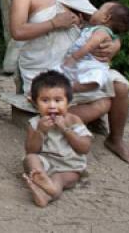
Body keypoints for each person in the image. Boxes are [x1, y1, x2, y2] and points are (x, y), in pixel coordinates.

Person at [9, 0, 129, 164]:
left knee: (121, 87)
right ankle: (55, 126)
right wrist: (54, 23)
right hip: (46, 68)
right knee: (105, 103)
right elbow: (17, 31)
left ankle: (115, 139)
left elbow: (105, 22)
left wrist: (116, 44)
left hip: (80, 66)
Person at [23, 70, 93, 208]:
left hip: (69, 167)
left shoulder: (73, 120)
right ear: (35, 103)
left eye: (58, 100)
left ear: (68, 102)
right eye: (45, 100)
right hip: (45, 163)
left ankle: (49, 191)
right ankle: (42, 181)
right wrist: (40, 131)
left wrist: (65, 130)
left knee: (60, 179)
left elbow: (85, 147)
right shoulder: (35, 123)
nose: (52, 106)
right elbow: (31, 150)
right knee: (30, 159)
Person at [62, 2, 129, 96]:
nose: (94, 12)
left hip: (91, 63)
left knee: (95, 76)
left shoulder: (102, 32)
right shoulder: (95, 29)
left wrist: (74, 58)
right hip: (84, 62)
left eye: (98, 10)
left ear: (105, 18)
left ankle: (73, 87)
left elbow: (89, 46)